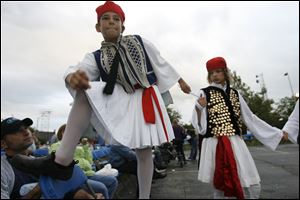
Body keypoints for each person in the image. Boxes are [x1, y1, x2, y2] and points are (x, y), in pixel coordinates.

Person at [10, 1, 191, 199]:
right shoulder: (96, 57)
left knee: (144, 151)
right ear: (98, 27)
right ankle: (62, 159)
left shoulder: (140, 42)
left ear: (123, 26)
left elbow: (160, 61)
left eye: (116, 19)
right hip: (120, 98)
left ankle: (144, 197)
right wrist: (73, 77)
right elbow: (76, 69)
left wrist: (180, 80)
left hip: (144, 96)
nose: (111, 22)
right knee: (85, 91)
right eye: (106, 18)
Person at [191, 57, 288, 199]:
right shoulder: (204, 93)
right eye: (212, 73)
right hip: (216, 143)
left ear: (225, 72)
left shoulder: (235, 93)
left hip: (236, 141)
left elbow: (250, 118)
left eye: (218, 71)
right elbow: (199, 126)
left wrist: (277, 133)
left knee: (253, 183)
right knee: (221, 187)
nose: (215, 75)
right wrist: (199, 108)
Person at [1, 117, 104, 199]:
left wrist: (87, 196)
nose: (26, 132)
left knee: (97, 190)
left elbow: (65, 190)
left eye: (26, 128)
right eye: (16, 131)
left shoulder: (37, 160)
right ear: (3, 143)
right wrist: (41, 188)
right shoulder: (3, 170)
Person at [50, 124, 118, 199]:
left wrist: (86, 148)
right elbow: (58, 162)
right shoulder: (57, 145)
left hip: (88, 174)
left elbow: (90, 161)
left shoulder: (79, 146)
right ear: (62, 133)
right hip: (76, 178)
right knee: (102, 188)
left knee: (113, 181)